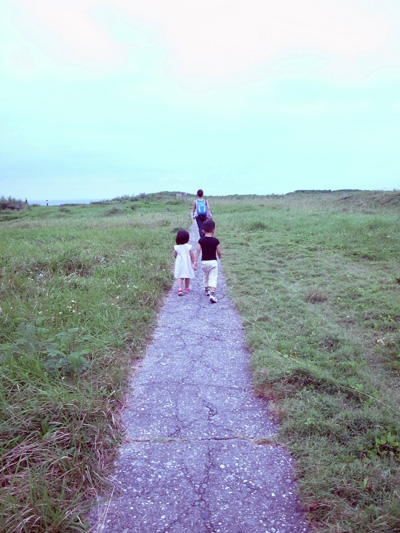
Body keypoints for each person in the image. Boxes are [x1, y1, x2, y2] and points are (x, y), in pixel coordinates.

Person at [194, 219, 221, 304]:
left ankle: (206, 289)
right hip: (213, 262)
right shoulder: (216, 241)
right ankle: (212, 294)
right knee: (213, 277)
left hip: (204, 262)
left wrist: (195, 261)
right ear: (214, 230)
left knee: (205, 275)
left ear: (203, 230)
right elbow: (218, 251)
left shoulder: (201, 240)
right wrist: (219, 256)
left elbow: (197, 251)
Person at [174, 229, 196, 296]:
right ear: (187, 238)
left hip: (179, 263)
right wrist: (194, 262)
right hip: (187, 263)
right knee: (187, 275)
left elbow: (175, 255)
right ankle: (187, 287)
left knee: (180, 276)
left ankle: (180, 288)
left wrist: (177, 259)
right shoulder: (189, 247)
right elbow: (192, 256)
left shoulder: (176, 247)